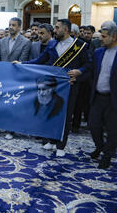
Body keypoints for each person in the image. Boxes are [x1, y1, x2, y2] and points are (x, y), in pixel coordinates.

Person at [18, 19, 91, 157]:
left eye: (57, 28)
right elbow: (39, 60)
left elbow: (88, 65)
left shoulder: (80, 46)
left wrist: (79, 72)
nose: (54, 30)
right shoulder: (52, 44)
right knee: (51, 113)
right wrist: (22, 63)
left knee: (65, 116)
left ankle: (61, 145)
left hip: (70, 86)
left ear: (66, 30)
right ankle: (51, 140)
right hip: (52, 86)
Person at [87, 22, 117, 169]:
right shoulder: (98, 52)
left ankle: (107, 156)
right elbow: (90, 70)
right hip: (98, 97)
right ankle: (100, 147)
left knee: (112, 130)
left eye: (104, 37)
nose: (101, 39)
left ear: (114, 37)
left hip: (113, 99)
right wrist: (78, 74)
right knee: (93, 125)